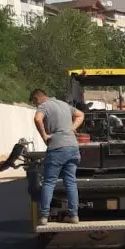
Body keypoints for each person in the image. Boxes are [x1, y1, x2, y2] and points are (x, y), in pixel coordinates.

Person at [31, 87, 85, 224]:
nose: (36, 105)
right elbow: (80, 115)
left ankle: (44, 216)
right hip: (73, 147)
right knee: (71, 182)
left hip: (57, 147)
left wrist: (44, 136)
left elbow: (37, 119)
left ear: (37, 98)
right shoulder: (63, 104)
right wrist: (72, 129)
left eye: (34, 102)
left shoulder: (44, 106)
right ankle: (74, 215)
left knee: (49, 182)